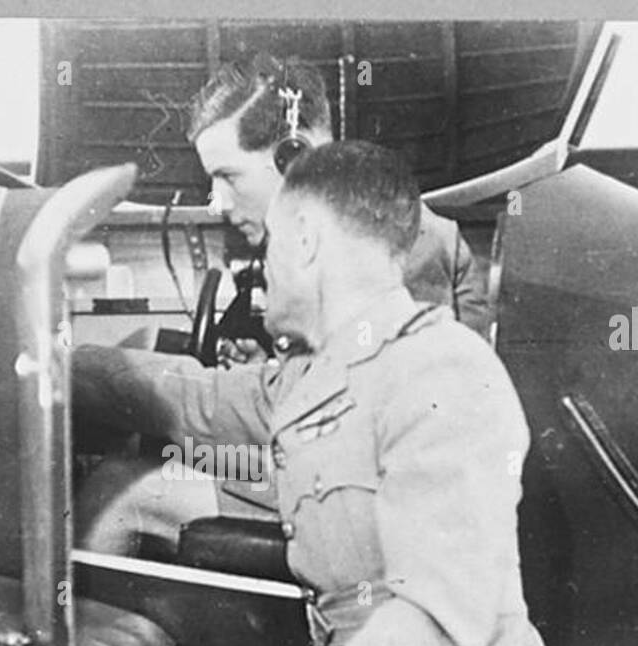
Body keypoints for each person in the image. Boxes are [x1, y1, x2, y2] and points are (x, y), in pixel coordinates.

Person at [72, 141, 633, 646]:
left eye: (270, 242)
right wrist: (46, 358)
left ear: (305, 239)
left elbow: (437, 623)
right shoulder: (315, 378)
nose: (261, 265)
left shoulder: (444, 373)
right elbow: (188, 398)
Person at [75, 52, 489, 556]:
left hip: (367, 500)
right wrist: (276, 367)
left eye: (228, 176)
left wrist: (96, 372)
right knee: (154, 449)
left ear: (295, 156)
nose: (217, 202)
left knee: (120, 492)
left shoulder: (395, 241)